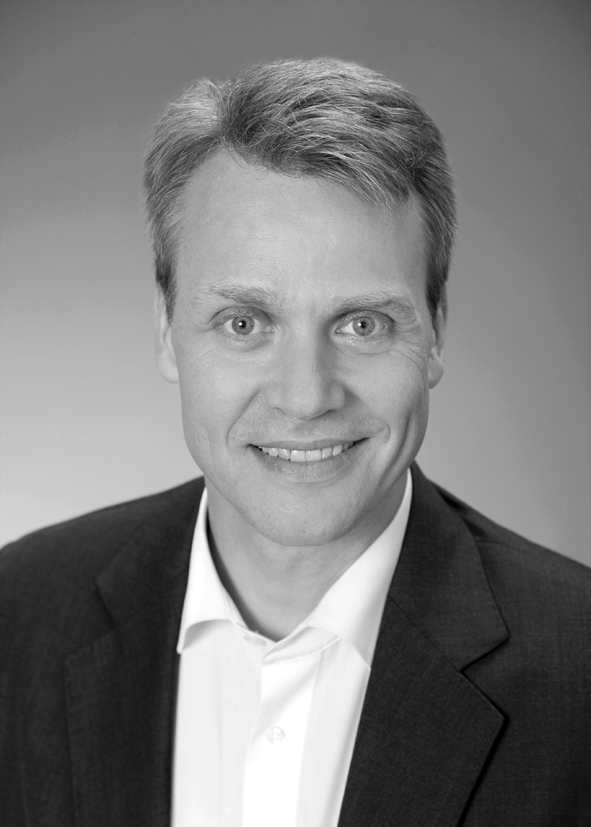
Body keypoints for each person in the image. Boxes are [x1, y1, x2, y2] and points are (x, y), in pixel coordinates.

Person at [1, 57, 590, 827]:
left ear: (435, 332)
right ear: (167, 330)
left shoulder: (578, 668)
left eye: (362, 324)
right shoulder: (18, 616)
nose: (306, 396)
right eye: (245, 322)